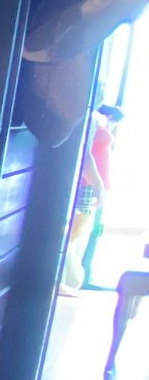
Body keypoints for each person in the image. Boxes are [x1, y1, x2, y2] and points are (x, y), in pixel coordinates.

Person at [64, 104, 122, 292]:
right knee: (74, 233)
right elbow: (86, 153)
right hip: (86, 186)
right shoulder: (93, 120)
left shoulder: (96, 122)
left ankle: (67, 279)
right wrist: (97, 184)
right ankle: (65, 280)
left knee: (79, 233)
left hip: (90, 186)